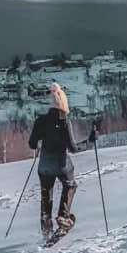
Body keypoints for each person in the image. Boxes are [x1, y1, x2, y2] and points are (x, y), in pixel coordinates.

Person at [28, 82, 98, 241]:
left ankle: (46, 226)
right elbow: (73, 148)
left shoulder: (40, 121)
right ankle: (63, 217)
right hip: (62, 165)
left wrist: (41, 142)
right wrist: (90, 141)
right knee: (70, 185)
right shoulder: (65, 123)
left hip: (44, 165)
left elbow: (32, 144)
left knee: (46, 193)